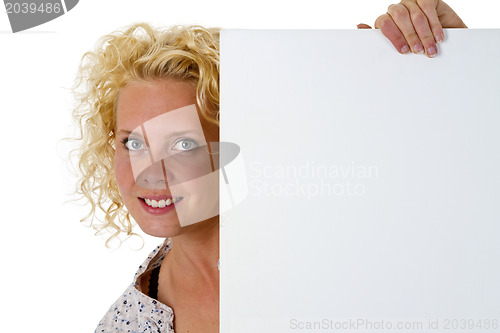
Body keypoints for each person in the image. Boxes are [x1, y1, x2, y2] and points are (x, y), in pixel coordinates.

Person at [72, 1, 465, 332]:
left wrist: (455, 67)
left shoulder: (333, 245)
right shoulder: (126, 323)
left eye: (183, 144)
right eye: (133, 142)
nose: (151, 172)